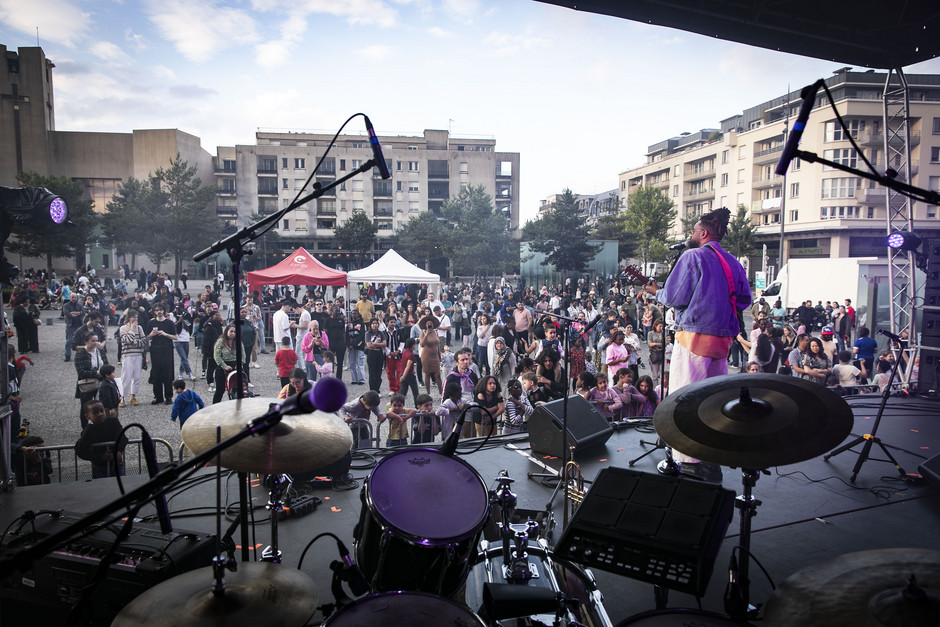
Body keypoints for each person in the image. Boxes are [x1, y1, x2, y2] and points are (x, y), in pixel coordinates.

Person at [644, 207, 751, 472]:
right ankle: (710, 456)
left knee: (686, 398)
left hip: (694, 339)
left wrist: (657, 292)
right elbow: (745, 299)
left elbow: (673, 298)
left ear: (703, 233)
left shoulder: (693, 256)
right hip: (722, 341)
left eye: (693, 230)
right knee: (712, 401)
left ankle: (689, 460)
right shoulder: (733, 262)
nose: (691, 234)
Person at [76, 400, 126, 479]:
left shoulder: (113, 422)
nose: (100, 414)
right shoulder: (88, 431)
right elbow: (81, 451)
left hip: (116, 463)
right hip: (99, 467)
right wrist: (101, 457)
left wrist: (118, 451)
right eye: (95, 413)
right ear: (87, 416)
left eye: (101, 411)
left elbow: (122, 437)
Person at [146, 304, 178, 405]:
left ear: (164, 311)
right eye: (156, 310)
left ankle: (168, 397)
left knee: (167, 374)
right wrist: (152, 334)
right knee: (156, 374)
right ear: (154, 312)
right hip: (155, 349)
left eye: (160, 310)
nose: (159, 312)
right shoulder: (151, 323)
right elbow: (147, 338)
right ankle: (158, 396)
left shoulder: (169, 323)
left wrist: (165, 334)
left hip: (166, 349)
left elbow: (176, 337)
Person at [75, 334, 107, 429]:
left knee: (101, 406)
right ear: (86, 341)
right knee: (86, 408)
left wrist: (104, 373)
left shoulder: (100, 351)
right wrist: (96, 373)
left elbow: (106, 364)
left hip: (101, 382)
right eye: (92, 341)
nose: (95, 343)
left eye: (96, 340)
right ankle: (85, 428)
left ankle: (100, 427)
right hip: (87, 384)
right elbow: (81, 372)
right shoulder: (80, 353)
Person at [212, 323, 240, 404]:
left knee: (236, 390)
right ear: (226, 331)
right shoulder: (220, 341)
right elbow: (216, 356)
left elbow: (243, 354)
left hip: (235, 367)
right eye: (231, 331)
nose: (233, 334)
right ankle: (215, 407)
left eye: (235, 332)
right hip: (222, 367)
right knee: (220, 390)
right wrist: (224, 366)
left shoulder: (238, 341)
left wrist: (239, 364)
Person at [419, 313, 443, 396]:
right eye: (428, 324)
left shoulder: (435, 332)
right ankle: (428, 393)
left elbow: (438, 345)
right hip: (426, 357)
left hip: (435, 356)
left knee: (438, 375)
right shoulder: (423, 333)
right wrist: (426, 334)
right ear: (425, 325)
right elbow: (422, 344)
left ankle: (441, 393)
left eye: (431, 324)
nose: (429, 325)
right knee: (427, 375)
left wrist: (439, 357)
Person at [364, 318, 387, 394]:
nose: (375, 325)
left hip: (379, 354)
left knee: (378, 373)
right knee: (372, 373)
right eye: (373, 323)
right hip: (371, 354)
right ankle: (372, 390)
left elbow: (384, 344)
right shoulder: (368, 333)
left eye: (376, 323)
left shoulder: (381, 333)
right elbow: (368, 345)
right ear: (370, 325)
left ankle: (377, 390)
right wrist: (377, 346)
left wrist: (375, 344)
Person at [346, 311, 366, 385]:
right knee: (352, 363)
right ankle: (354, 379)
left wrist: (354, 345)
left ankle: (361, 379)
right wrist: (348, 345)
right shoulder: (349, 324)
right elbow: (346, 335)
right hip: (350, 347)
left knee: (360, 363)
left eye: (355, 313)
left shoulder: (361, 324)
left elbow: (361, 335)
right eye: (352, 313)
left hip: (359, 346)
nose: (353, 315)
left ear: (358, 315)